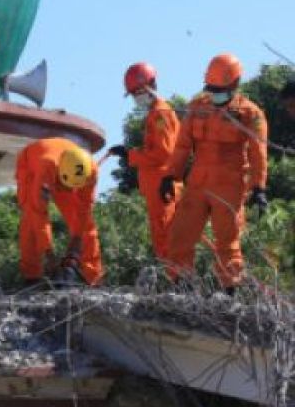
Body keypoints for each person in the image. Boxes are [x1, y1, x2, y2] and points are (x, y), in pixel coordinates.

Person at [162, 53, 268, 292]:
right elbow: (182, 145)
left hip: (230, 186)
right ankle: (181, 286)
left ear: (235, 84)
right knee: (180, 236)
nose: (215, 92)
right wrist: (170, 176)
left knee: (227, 243)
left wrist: (258, 188)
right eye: (212, 88)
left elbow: (257, 152)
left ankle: (229, 292)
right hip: (197, 184)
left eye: (220, 88)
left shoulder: (251, 115)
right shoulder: (198, 107)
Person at [106, 62, 181, 260]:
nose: (135, 98)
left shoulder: (160, 114)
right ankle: (176, 280)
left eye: (136, 93)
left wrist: (129, 155)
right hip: (158, 185)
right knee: (164, 236)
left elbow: (163, 154)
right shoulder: (156, 113)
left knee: (167, 236)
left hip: (162, 185)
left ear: (150, 85)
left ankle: (178, 281)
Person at [14, 138, 102, 286]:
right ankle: (32, 277)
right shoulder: (45, 168)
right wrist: (48, 253)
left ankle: (93, 278)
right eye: (65, 187)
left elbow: (84, 209)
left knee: (87, 226)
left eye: (71, 189)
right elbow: (39, 213)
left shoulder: (91, 171)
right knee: (31, 219)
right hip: (31, 167)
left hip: (65, 174)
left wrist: (76, 242)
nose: (68, 192)